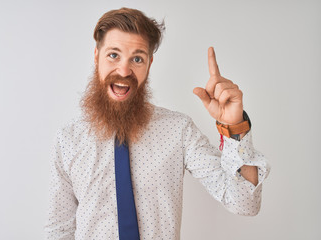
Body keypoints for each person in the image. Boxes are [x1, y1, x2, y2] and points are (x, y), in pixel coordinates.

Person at [45, 7, 270, 240]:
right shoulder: (68, 139)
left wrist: (235, 128)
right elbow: (58, 230)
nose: (124, 70)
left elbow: (245, 203)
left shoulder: (178, 130)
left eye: (137, 58)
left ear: (149, 64)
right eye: (113, 55)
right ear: (96, 56)